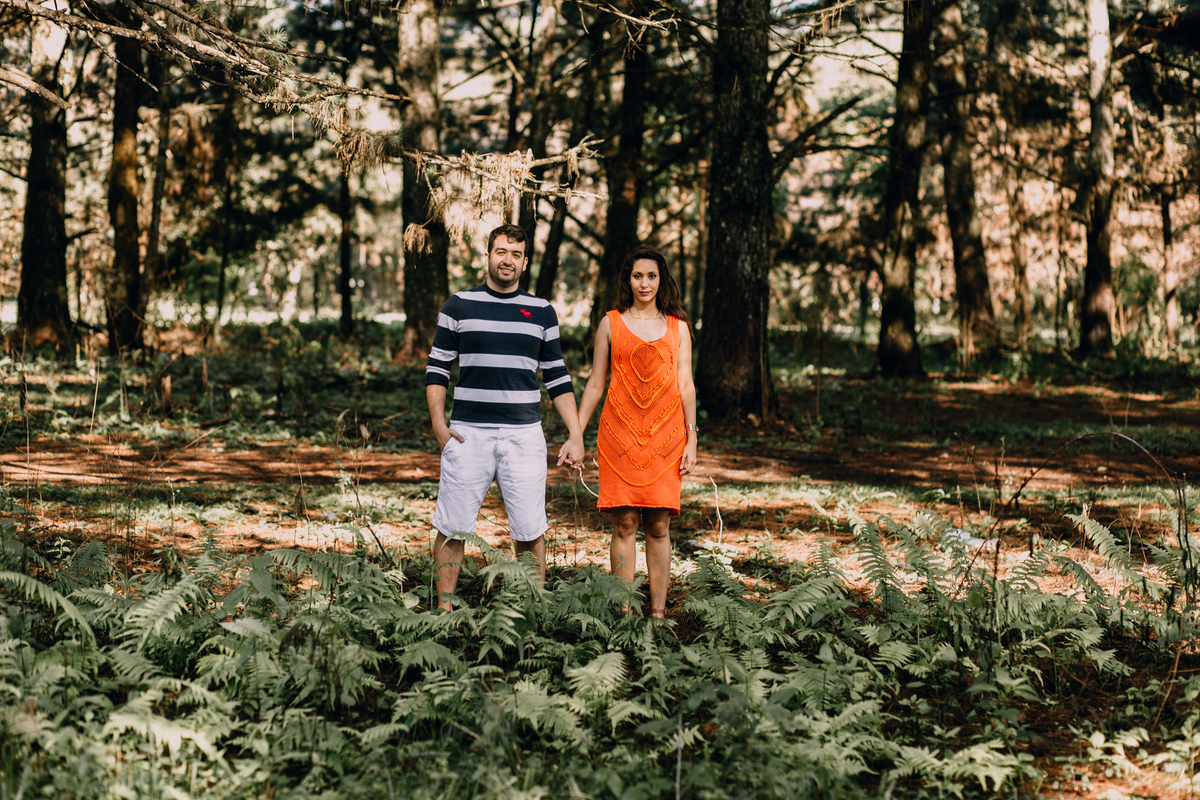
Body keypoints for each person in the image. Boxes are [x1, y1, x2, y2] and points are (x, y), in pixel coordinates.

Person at [425, 224, 585, 611]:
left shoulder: (542, 311)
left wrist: (576, 434)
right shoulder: (458, 305)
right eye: (501, 252)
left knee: (530, 527)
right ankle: (443, 609)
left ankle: (532, 609)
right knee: (452, 525)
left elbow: (558, 377)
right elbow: (437, 369)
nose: (507, 260)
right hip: (467, 434)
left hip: (524, 435)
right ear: (487, 257)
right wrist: (439, 426)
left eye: (515, 254)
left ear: (525, 261)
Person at [578, 245, 698, 619]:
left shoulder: (678, 328)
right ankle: (626, 609)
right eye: (637, 276)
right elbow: (596, 383)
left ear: (661, 280)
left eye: (651, 276)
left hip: (667, 439)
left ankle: (659, 612)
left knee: (659, 525)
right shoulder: (609, 323)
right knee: (625, 522)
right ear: (627, 280)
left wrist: (692, 437)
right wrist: (575, 433)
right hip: (619, 437)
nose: (644, 283)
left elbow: (686, 386)